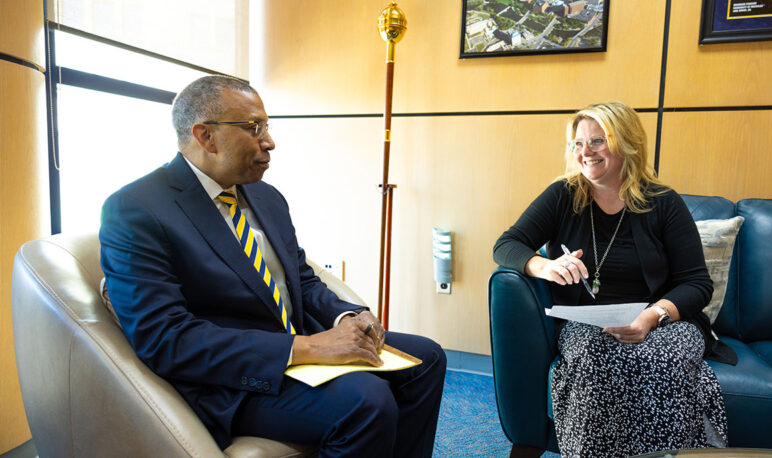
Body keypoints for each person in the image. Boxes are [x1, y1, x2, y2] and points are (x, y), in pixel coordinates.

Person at [99, 75, 446, 456]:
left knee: (426, 359)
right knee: (366, 401)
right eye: (253, 128)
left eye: (266, 126)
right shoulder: (137, 208)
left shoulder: (266, 196)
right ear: (205, 136)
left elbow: (301, 279)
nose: (269, 141)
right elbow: (166, 338)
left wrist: (346, 317)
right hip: (232, 379)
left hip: (298, 346)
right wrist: (306, 348)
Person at [493, 101, 734, 458]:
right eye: (578, 143)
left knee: (663, 361)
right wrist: (544, 265)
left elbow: (696, 283)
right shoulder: (563, 195)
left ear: (626, 144)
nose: (585, 152)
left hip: (663, 322)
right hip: (589, 324)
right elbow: (507, 245)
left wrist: (652, 317)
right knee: (593, 359)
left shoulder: (664, 203)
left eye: (597, 141)